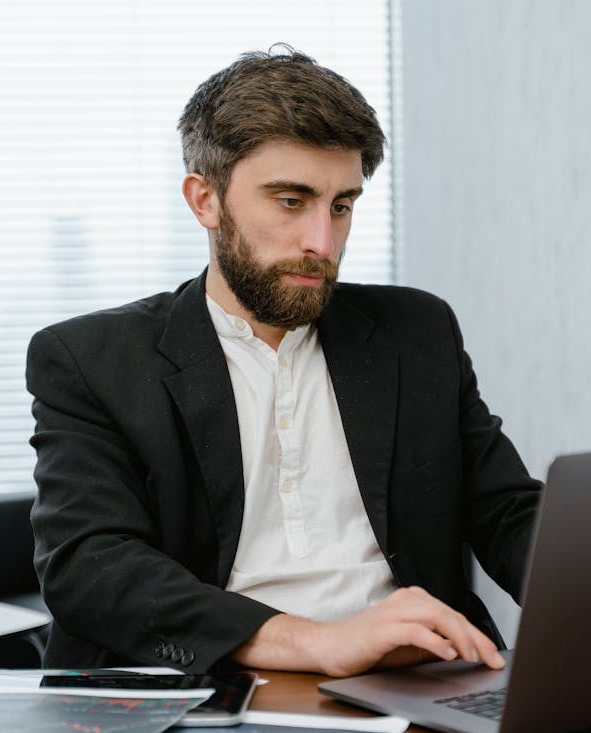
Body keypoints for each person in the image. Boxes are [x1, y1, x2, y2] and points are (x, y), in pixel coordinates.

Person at [26, 46, 542, 677]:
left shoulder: (417, 332)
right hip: (214, 688)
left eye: (341, 205)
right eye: (291, 201)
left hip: (414, 680)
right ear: (205, 200)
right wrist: (317, 643)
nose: (322, 242)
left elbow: (507, 511)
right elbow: (90, 567)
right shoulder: (91, 360)